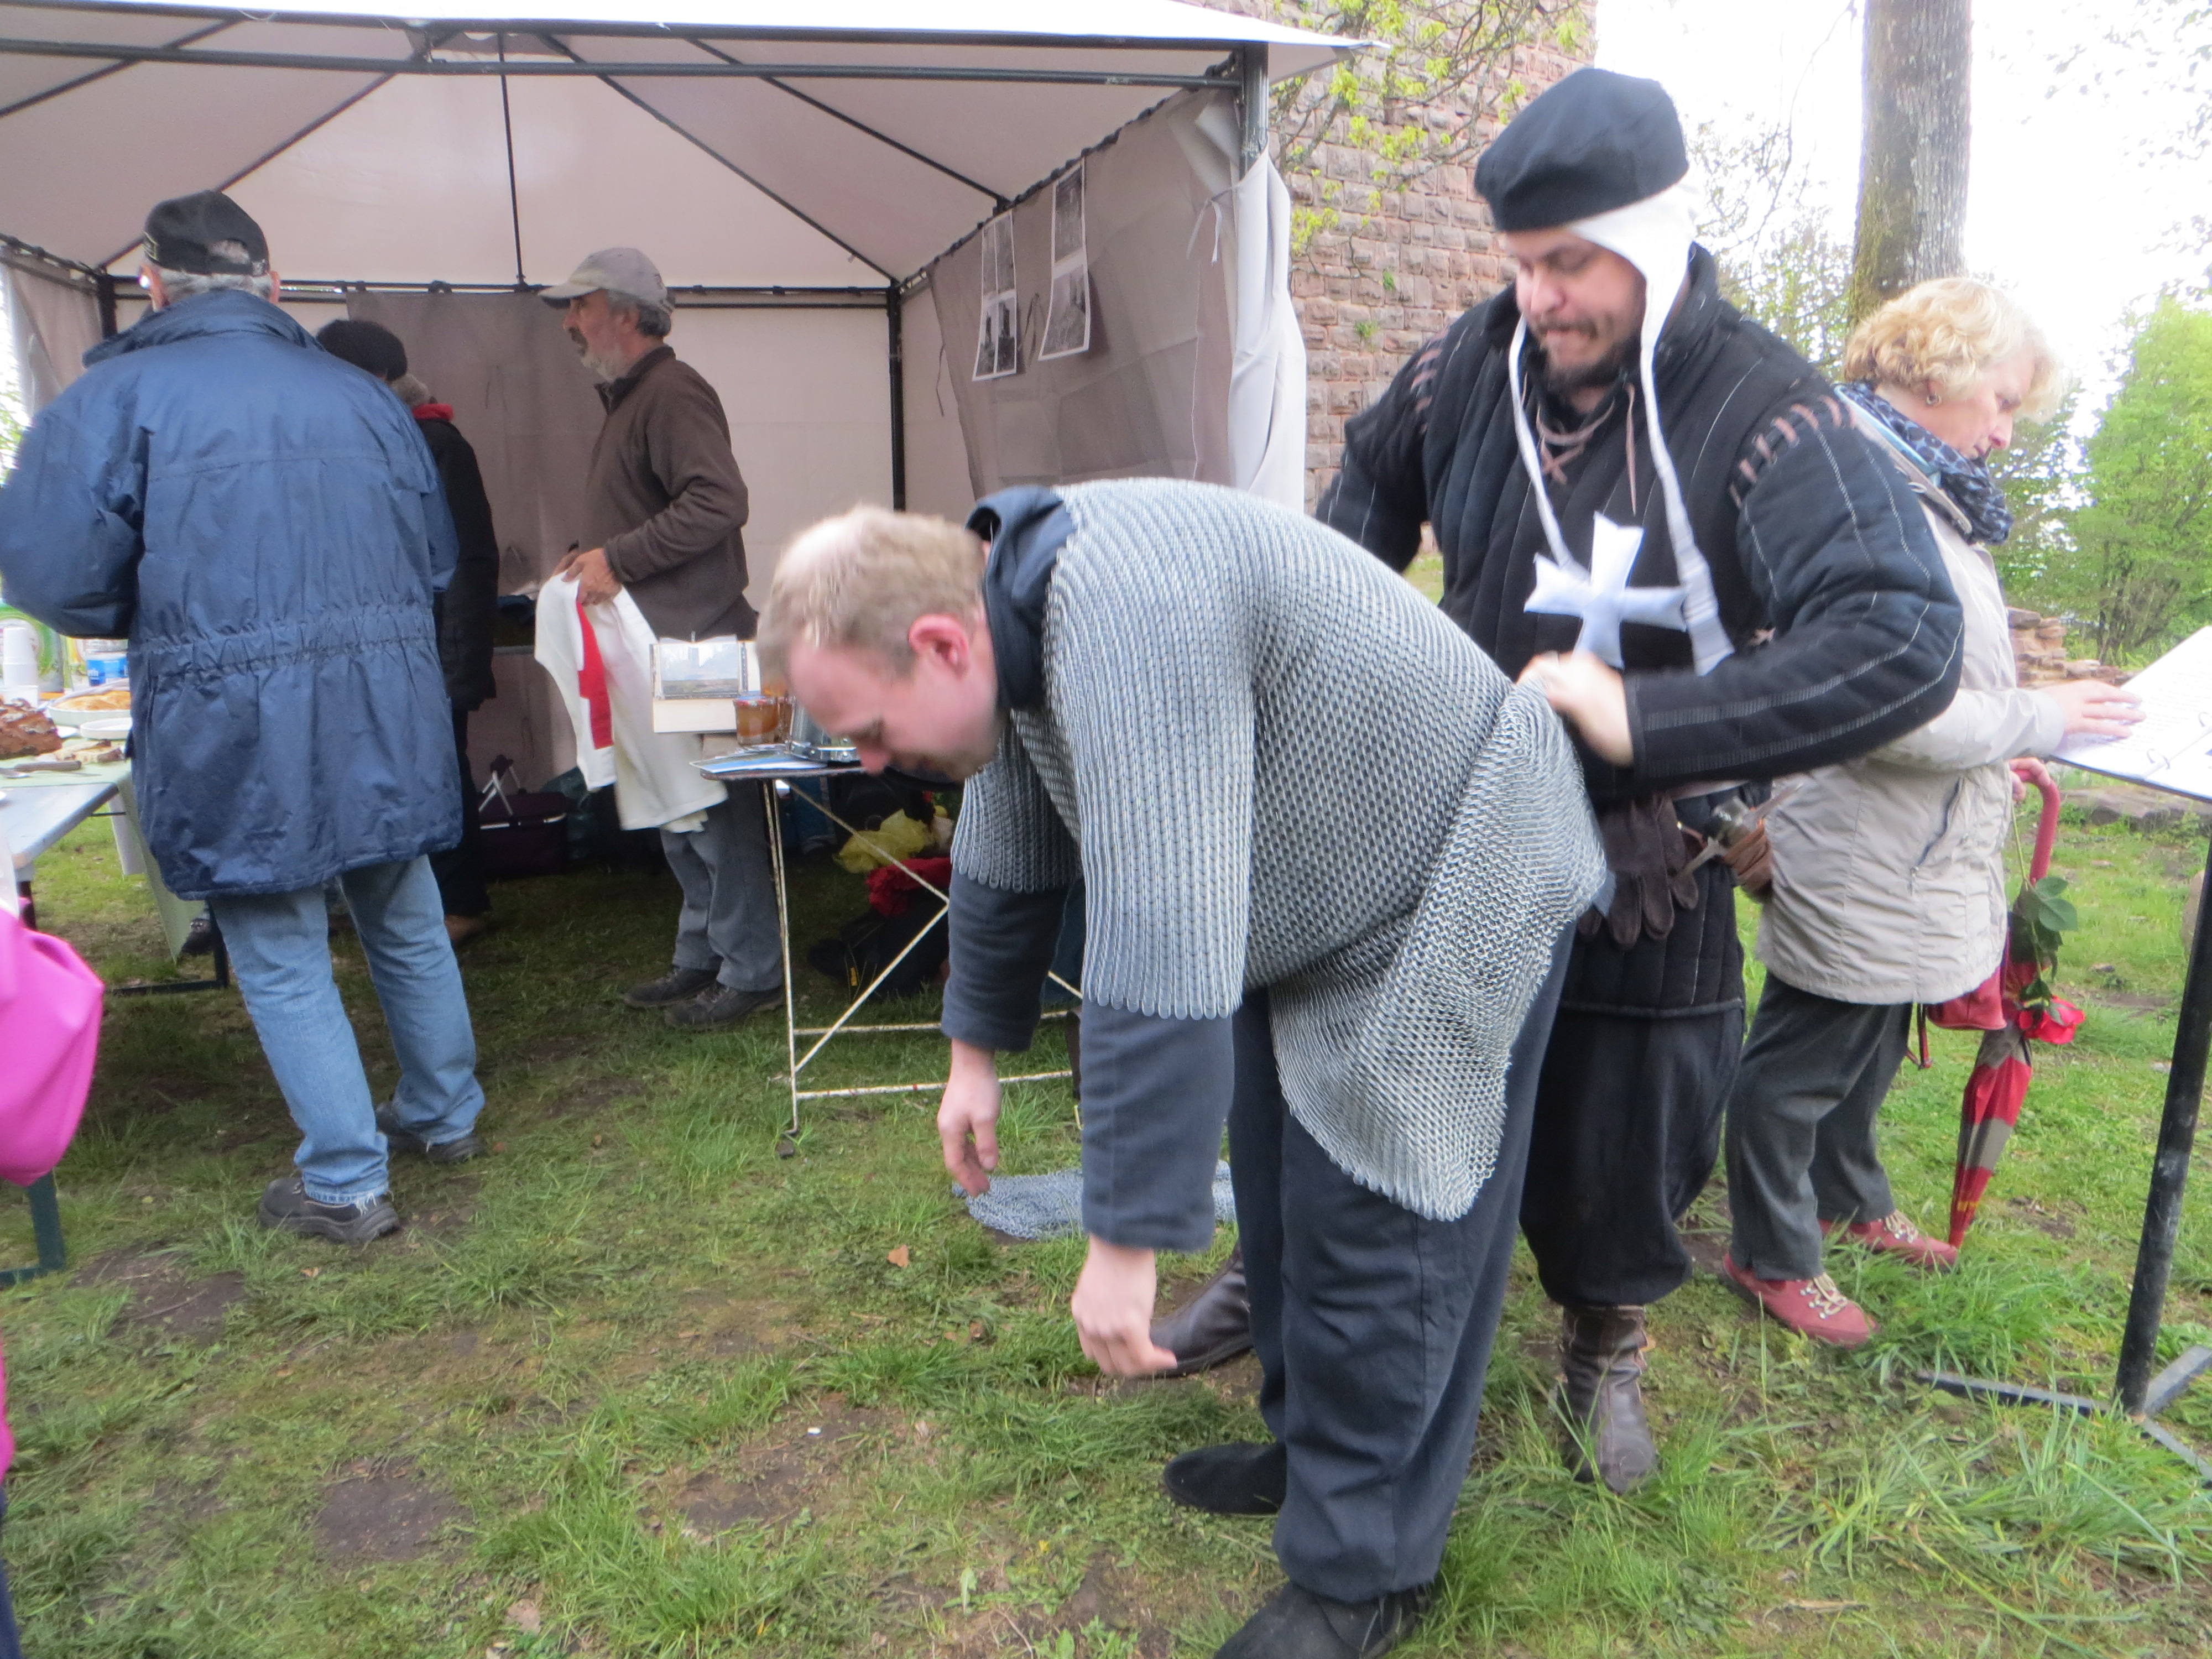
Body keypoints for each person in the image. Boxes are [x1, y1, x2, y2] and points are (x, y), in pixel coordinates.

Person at [761, 484, 1606, 1659]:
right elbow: (1008, 827)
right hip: (1323, 900)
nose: (867, 762)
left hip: (1461, 869)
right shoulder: (1009, 613)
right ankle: (1316, 1459)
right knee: (1279, 1190)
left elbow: (1157, 933)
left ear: (940, 644)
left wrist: (1123, 1243)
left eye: (865, 729)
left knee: (1379, 1224)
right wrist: (972, 1052)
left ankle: (1363, 1575)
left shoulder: (1125, 611)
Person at [1315, 68, 1966, 1491]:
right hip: (1460, 814)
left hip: (1648, 844)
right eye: (1519, 262)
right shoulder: (1468, 362)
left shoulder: (1764, 405)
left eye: (1568, 262)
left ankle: (1603, 1341)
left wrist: (1646, 716)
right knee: (1408, 1072)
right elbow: (1358, 499)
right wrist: (1342, 666)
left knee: (1623, 1125)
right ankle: (1323, 1296)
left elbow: (1901, 635)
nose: (1537, 296)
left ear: (1652, 239)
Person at [0, 190, 486, 1244]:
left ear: (152, 284)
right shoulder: (365, 399)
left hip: (230, 707)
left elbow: (50, 574)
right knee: (400, 903)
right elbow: (436, 557)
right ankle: (446, 1114)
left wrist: (160, 607)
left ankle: (348, 1181)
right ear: (272, 284)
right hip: (379, 698)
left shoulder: (112, 400)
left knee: (277, 939)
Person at [1719, 281, 2142, 1343]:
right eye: (2001, 402)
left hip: (1916, 843)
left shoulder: (1928, 490)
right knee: (1803, 1063)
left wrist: (2014, 729)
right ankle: (1770, 1251)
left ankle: (1847, 1198)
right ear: (1936, 371)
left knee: (1869, 1040)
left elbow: (1939, 669)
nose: (2005, 432)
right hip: (1857, 839)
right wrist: (2040, 717)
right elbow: (1877, 706)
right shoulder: (1857, 492)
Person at [542, 248, 781, 1030]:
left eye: (581, 306)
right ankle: (705, 954)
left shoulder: (671, 392)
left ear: (625, 312)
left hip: (699, 642)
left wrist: (619, 557)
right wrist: (591, 552)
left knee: (716, 809)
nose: (570, 322)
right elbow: (656, 508)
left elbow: (719, 502)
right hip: (666, 640)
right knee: (679, 807)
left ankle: (751, 969)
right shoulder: (635, 397)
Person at [315, 318, 502, 946]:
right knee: (392, 771)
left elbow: (470, 560)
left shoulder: (434, 441)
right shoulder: (364, 438)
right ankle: (404, 900)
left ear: (375, 378)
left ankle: (462, 903)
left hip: (433, 644)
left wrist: (458, 663)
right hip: (382, 644)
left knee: (440, 769)